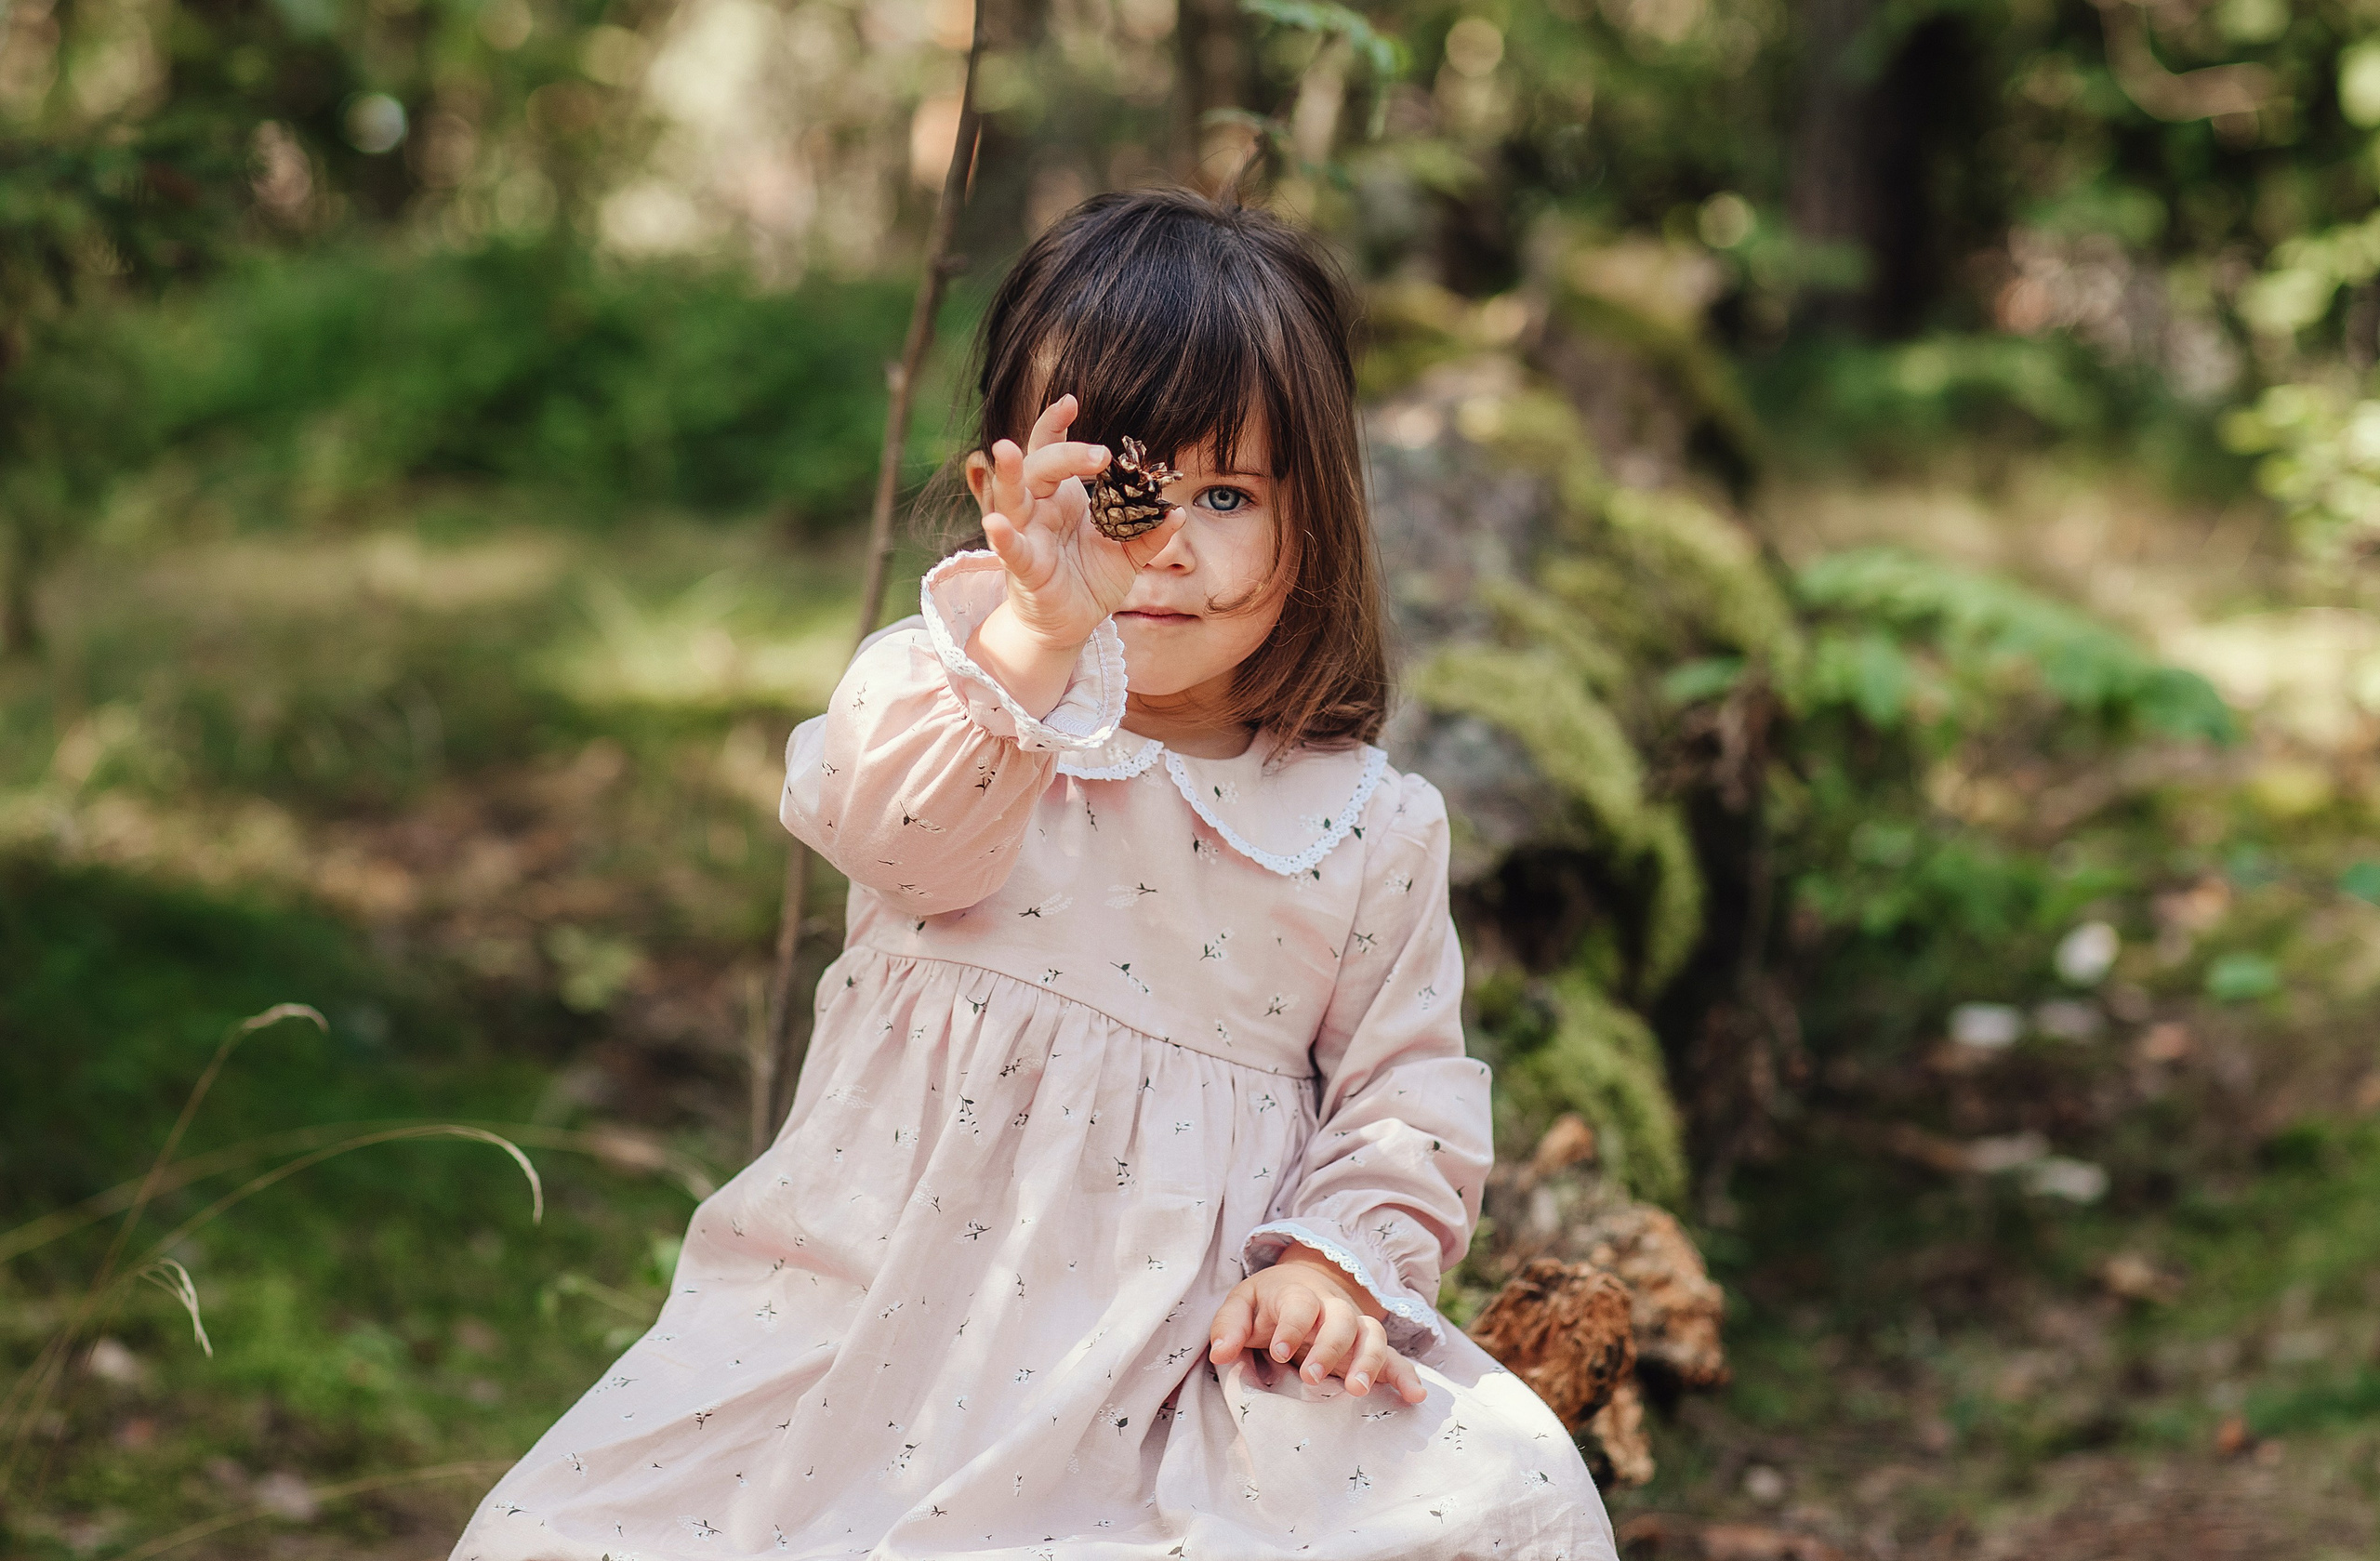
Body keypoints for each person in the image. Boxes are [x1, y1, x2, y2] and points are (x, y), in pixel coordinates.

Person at [451, 187, 1617, 1561]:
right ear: (1009, 481)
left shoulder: (1367, 824)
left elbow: (1403, 1091)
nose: (1168, 545)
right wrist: (1031, 640)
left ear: (1320, 520)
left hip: (1177, 1365)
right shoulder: (962, 697)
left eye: (1229, 493)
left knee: (1507, 1498)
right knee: (569, 1534)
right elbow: (894, 836)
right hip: (870, 1318)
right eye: (1119, 490)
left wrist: (1330, 1261)